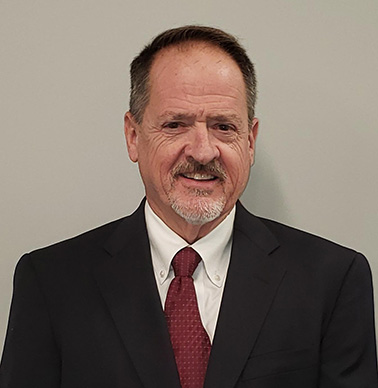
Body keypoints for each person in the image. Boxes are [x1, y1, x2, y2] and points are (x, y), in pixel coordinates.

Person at [0, 25, 377, 388]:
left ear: (250, 141)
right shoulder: (51, 282)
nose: (202, 150)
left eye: (224, 127)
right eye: (176, 124)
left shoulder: (333, 280)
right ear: (133, 137)